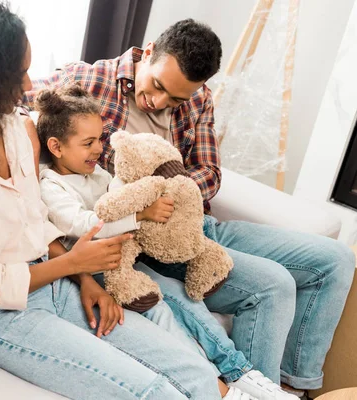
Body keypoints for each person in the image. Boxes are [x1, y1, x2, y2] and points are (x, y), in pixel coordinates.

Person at [0, 2, 233, 399]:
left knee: (195, 373)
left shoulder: (16, 130)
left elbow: (37, 220)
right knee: (153, 392)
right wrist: (74, 263)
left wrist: (85, 281)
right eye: (18, 73)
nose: (28, 86)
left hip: (56, 280)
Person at [23, 18, 356, 398]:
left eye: (176, 99)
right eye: (158, 86)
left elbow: (210, 173)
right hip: (142, 238)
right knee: (273, 285)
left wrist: (171, 189)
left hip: (193, 221)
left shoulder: (198, 99)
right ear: (148, 53)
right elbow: (21, 106)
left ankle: (295, 387)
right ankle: (249, 387)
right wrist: (141, 201)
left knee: (335, 259)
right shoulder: (90, 81)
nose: (161, 102)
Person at [35, 83, 298, 400]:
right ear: (56, 146)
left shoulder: (96, 175)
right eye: (88, 142)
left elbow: (118, 192)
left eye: (101, 140)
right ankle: (217, 385)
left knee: (176, 293)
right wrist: (141, 214)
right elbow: (83, 224)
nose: (98, 149)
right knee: (164, 303)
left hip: (125, 258)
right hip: (98, 265)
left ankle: (237, 372)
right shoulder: (51, 185)